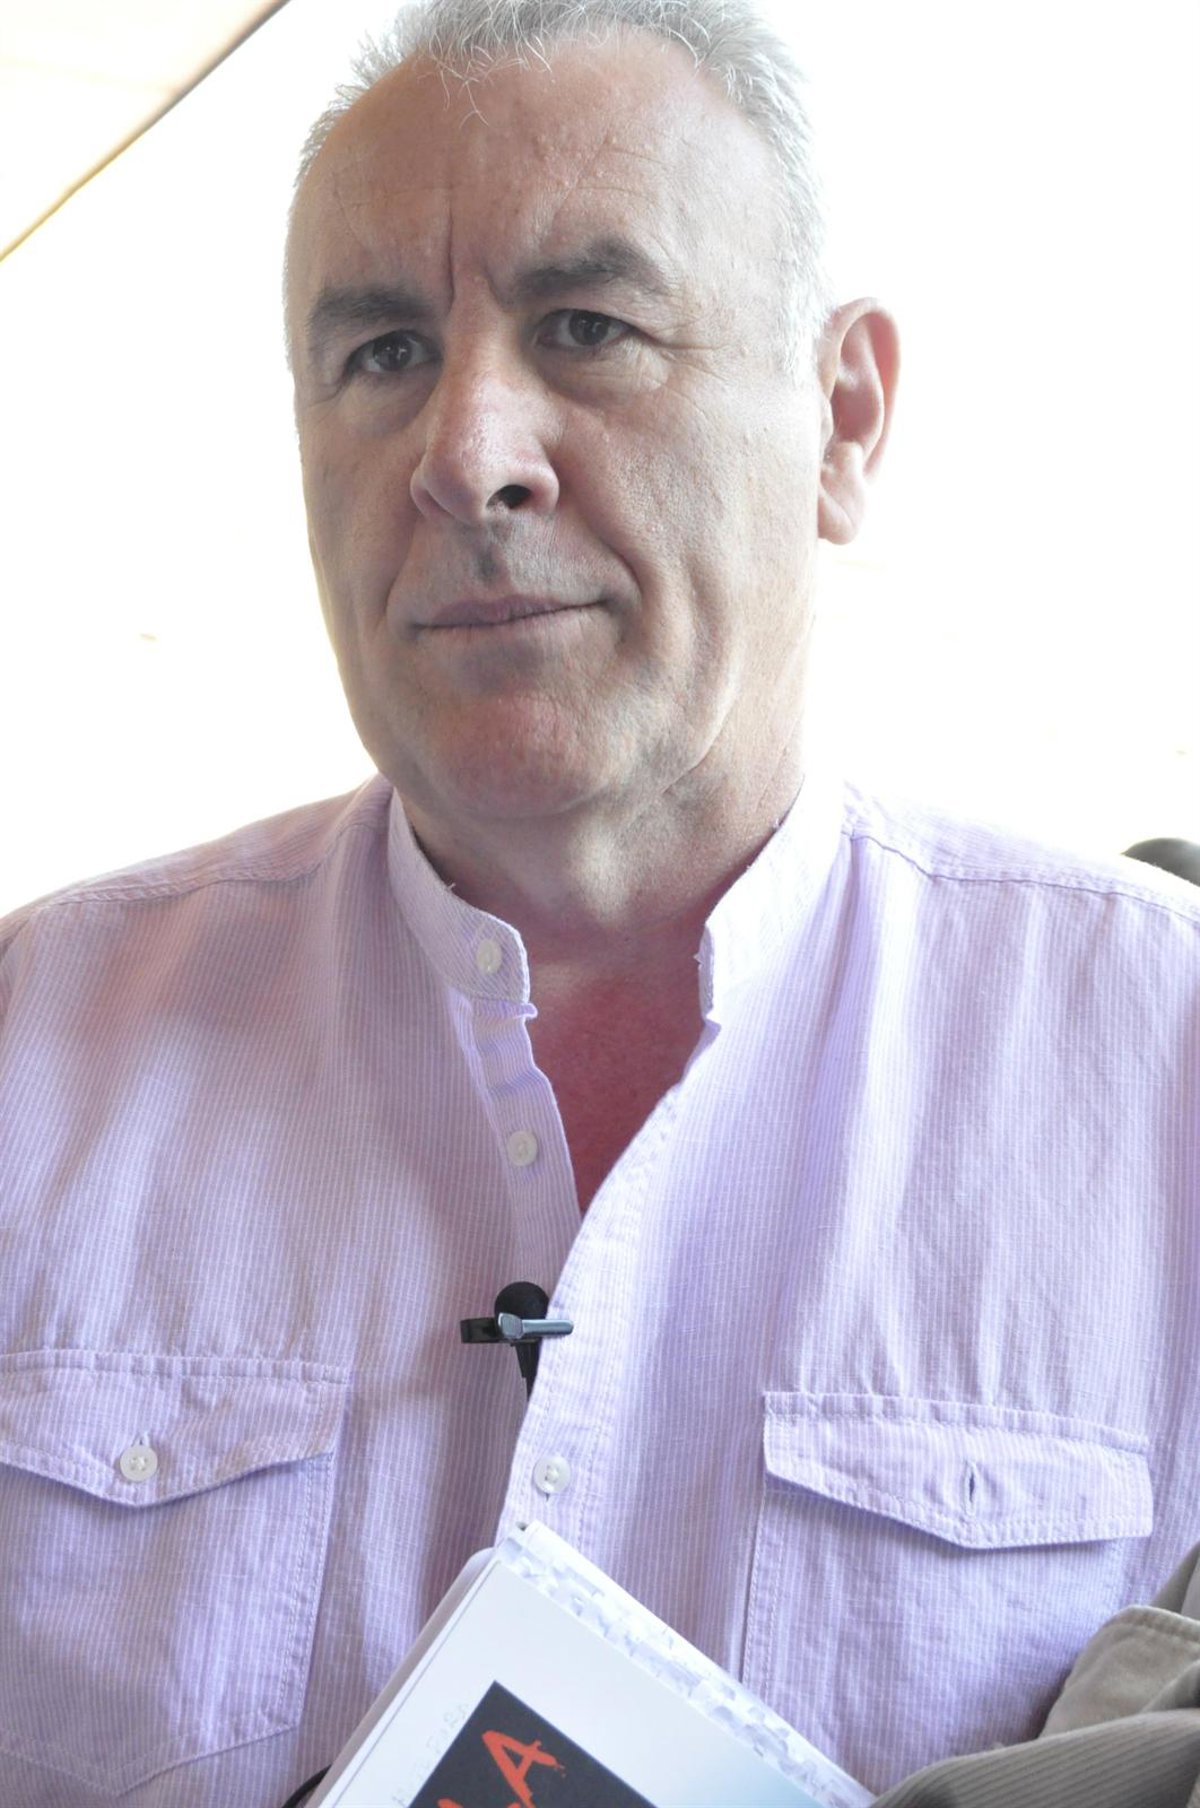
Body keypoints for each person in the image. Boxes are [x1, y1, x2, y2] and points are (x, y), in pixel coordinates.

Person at [1, 2, 1197, 1804]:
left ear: (844, 419)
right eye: (382, 351)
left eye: (589, 328)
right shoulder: (35, 1049)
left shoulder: (1165, 1063)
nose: (466, 450)